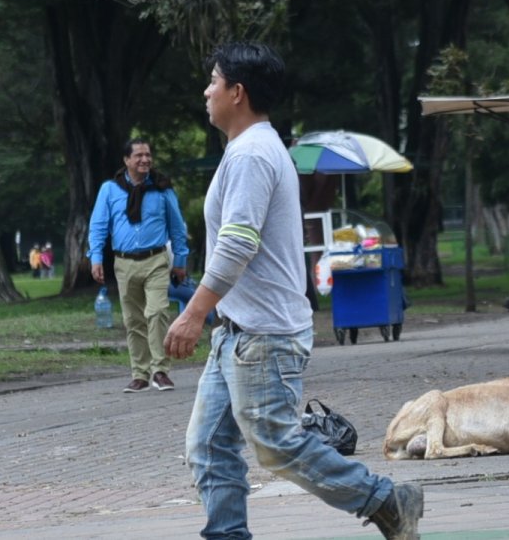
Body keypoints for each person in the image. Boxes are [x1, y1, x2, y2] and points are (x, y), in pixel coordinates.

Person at [164, 42, 423, 540]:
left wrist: (194, 312)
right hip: (237, 336)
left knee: (276, 444)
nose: (206, 91)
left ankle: (387, 500)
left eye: (214, 81)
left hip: (264, 337)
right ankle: (227, 534)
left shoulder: (253, 154)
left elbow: (237, 244)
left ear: (237, 92)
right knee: (209, 446)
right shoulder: (250, 150)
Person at [89, 138, 189, 393]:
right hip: (124, 262)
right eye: (139, 155)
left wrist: (180, 260)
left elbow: (177, 227)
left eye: (148, 155)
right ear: (126, 160)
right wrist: (96, 258)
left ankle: (160, 371)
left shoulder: (162, 188)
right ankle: (140, 374)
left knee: (156, 313)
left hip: (156, 260)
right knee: (133, 319)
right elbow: (98, 226)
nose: (145, 159)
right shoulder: (109, 190)